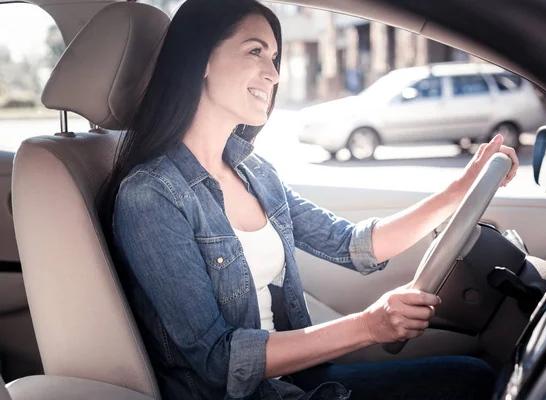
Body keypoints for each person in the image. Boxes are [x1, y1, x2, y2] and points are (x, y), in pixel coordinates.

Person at [98, 0, 519, 399]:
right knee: (471, 381)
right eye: (256, 51)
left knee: (473, 376)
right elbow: (218, 361)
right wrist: (369, 326)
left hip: (298, 381)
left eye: (274, 58)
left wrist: (460, 190)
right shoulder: (150, 196)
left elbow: (352, 244)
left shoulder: (253, 170)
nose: (274, 74)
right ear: (202, 59)